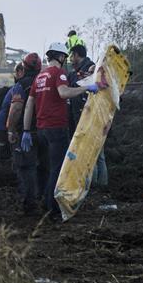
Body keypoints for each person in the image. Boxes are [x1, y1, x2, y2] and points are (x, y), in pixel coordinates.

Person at [22, 42, 97, 217]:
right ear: (61, 57)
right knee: (57, 169)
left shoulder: (39, 77)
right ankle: (53, 209)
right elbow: (64, 93)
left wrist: (26, 130)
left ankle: (43, 201)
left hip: (41, 130)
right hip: (56, 128)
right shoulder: (59, 73)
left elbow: (29, 105)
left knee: (46, 168)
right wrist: (87, 88)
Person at [6, 53, 43, 214]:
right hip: (46, 130)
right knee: (45, 167)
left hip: (26, 132)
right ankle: (46, 200)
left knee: (25, 168)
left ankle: (30, 204)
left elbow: (16, 109)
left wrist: (10, 129)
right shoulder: (45, 81)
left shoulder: (21, 85)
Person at [67, 44, 107, 187]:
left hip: (90, 116)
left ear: (77, 55)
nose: (70, 59)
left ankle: (94, 187)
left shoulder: (91, 68)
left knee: (92, 154)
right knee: (97, 154)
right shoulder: (74, 72)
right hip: (83, 117)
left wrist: (92, 73)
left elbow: (98, 78)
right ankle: (101, 185)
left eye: (71, 56)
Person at [0, 63, 25, 161]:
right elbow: (15, 109)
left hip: (2, 124)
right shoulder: (17, 88)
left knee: (6, 153)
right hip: (5, 125)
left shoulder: (16, 87)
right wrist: (11, 130)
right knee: (9, 154)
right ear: (20, 72)